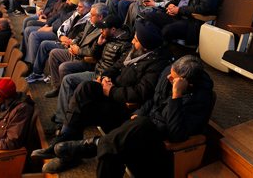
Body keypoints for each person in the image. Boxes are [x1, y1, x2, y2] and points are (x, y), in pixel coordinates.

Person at [31, 20, 171, 172]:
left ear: (146, 45)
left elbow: (139, 92)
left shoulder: (157, 64)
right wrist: (105, 76)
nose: (132, 41)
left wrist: (110, 91)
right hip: (111, 90)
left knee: (81, 107)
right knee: (86, 88)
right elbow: (117, 66)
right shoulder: (136, 51)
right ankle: (63, 143)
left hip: (123, 106)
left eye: (136, 40)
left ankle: (66, 153)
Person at [43, 55, 214, 177]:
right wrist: (139, 112)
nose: (169, 77)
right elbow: (152, 101)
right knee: (111, 150)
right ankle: (87, 142)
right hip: (140, 125)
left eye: (174, 78)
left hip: (160, 142)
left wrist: (176, 96)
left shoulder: (202, 100)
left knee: (129, 134)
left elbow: (177, 133)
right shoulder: (168, 74)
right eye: (170, 73)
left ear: (187, 83)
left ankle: (95, 144)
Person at [46, 14, 131, 99]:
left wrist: (103, 77)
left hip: (103, 76)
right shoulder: (106, 36)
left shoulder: (125, 44)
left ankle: (70, 106)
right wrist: (98, 44)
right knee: (57, 58)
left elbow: (117, 67)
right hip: (96, 70)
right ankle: (61, 98)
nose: (101, 31)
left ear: (113, 30)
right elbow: (91, 49)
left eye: (103, 29)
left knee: (66, 72)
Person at [38, 3, 108, 91]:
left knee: (63, 67)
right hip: (76, 52)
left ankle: (67, 93)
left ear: (100, 17)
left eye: (92, 15)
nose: (90, 17)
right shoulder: (91, 23)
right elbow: (80, 35)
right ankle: (56, 87)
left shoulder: (103, 31)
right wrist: (72, 43)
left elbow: (94, 51)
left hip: (86, 60)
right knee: (54, 53)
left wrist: (78, 51)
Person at [24, 0, 91, 82]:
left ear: (88, 8)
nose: (77, 8)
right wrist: (62, 36)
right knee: (40, 39)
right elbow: (64, 25)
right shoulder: (76, 14)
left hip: (72, 46)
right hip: (64, 39)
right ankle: (37, 72)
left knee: (44, 44)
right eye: (78, 6)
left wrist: (71, 42)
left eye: (80, 7)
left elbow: (83, 37)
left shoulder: (89, 20)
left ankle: (37, 72)